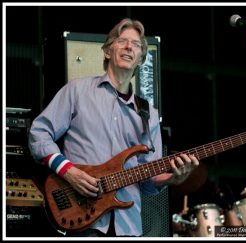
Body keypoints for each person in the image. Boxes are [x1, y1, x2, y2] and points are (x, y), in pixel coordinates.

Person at [28, 18, 199, 237]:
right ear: (108, 51)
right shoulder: (77, 91)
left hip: (128, 226)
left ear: (140, 60)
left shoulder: (149, 114)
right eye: (123, 41)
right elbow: (39, 133)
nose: (129, 47)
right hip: (82, 218)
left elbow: (147, 182)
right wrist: (68, 171)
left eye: (136, 45)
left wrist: (172, 178)